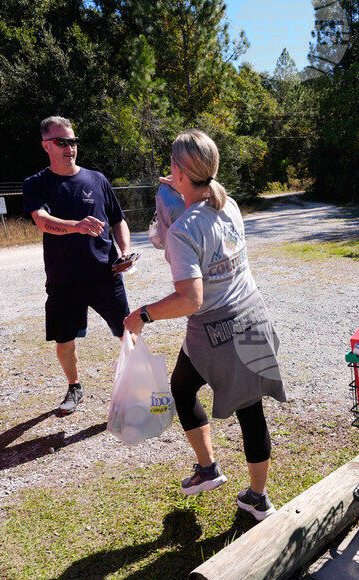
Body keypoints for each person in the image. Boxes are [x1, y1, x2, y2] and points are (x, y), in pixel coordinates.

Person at [124, 129, 287, 521]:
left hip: (216, 333)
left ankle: (221, 474)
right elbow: (206, 184)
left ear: (181, 172)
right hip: (253, 317)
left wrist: (142, 314)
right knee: (215, 399)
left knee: (195, 394)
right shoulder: (226, 203)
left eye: (172, 168)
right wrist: (179, 183)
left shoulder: (182, 232)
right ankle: (241, 487)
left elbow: (190, 299)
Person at [23, 116, 133, 415]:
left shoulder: (96, 179)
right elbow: (42, 222)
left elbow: (117, 219)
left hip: (104, 273)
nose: (69, 148)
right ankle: (74, 387)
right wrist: (77, 226)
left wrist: (124, 250)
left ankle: (133, 387)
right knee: (64, 340)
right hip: (64, 277)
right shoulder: (37, 183)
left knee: (127, 332)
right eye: (61, 142)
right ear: (47, 145)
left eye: (72, 141)